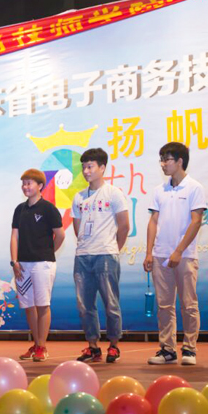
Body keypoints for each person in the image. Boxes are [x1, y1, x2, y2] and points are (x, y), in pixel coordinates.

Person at [144, 142, 207, 366]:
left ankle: (189, 349)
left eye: (167, 159)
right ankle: (167, 350)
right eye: (161, 160)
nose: (163, 164)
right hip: (160, 254)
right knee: (164, 305)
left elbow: (196, 221)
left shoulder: (194, 187)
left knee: (188, 303)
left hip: (185, 255)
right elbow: (153, 221)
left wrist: (179, 251)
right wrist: (149, 252)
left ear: (180, 161)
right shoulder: (159, 190)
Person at [72, 148, 129, 364]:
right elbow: (77, 228)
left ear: (102, 168)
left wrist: (113, 248)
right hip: (83, 256)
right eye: (84, 167)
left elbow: (124, 226)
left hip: (106, 255)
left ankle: (114, 345)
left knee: (111, 303)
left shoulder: (113, 193)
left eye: (90, 166)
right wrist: (86, 245)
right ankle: (93, 346)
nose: (86, 171)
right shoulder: (79, 197)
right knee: (84, 305)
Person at [11, 169, 65, 362]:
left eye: (29, 183)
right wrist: (14, 261)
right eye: (23, 183)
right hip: (22, 265)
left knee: (42, 305)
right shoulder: (19, 209)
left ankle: (42, 346)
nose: (25, 187)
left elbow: (60, 235)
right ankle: (36, 344)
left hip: (43, 264)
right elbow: (14, 237)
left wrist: (47, 252)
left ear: (40, 185)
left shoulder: (49, 209)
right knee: (28, 306)